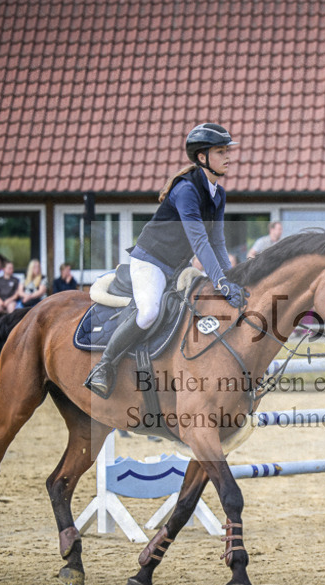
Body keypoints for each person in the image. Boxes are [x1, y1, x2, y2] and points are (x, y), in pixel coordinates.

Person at [85, 123, 245, 399]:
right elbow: (199, 242)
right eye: (221, 151)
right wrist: (220, 280)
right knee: (149, 313)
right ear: (202, 157)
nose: (228, 156)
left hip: (176, 268)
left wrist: (230, 280)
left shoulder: (218, 194)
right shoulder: (186, 191)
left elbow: (217, 242)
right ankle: (103, 366)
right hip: (150, 261)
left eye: (227, 151)